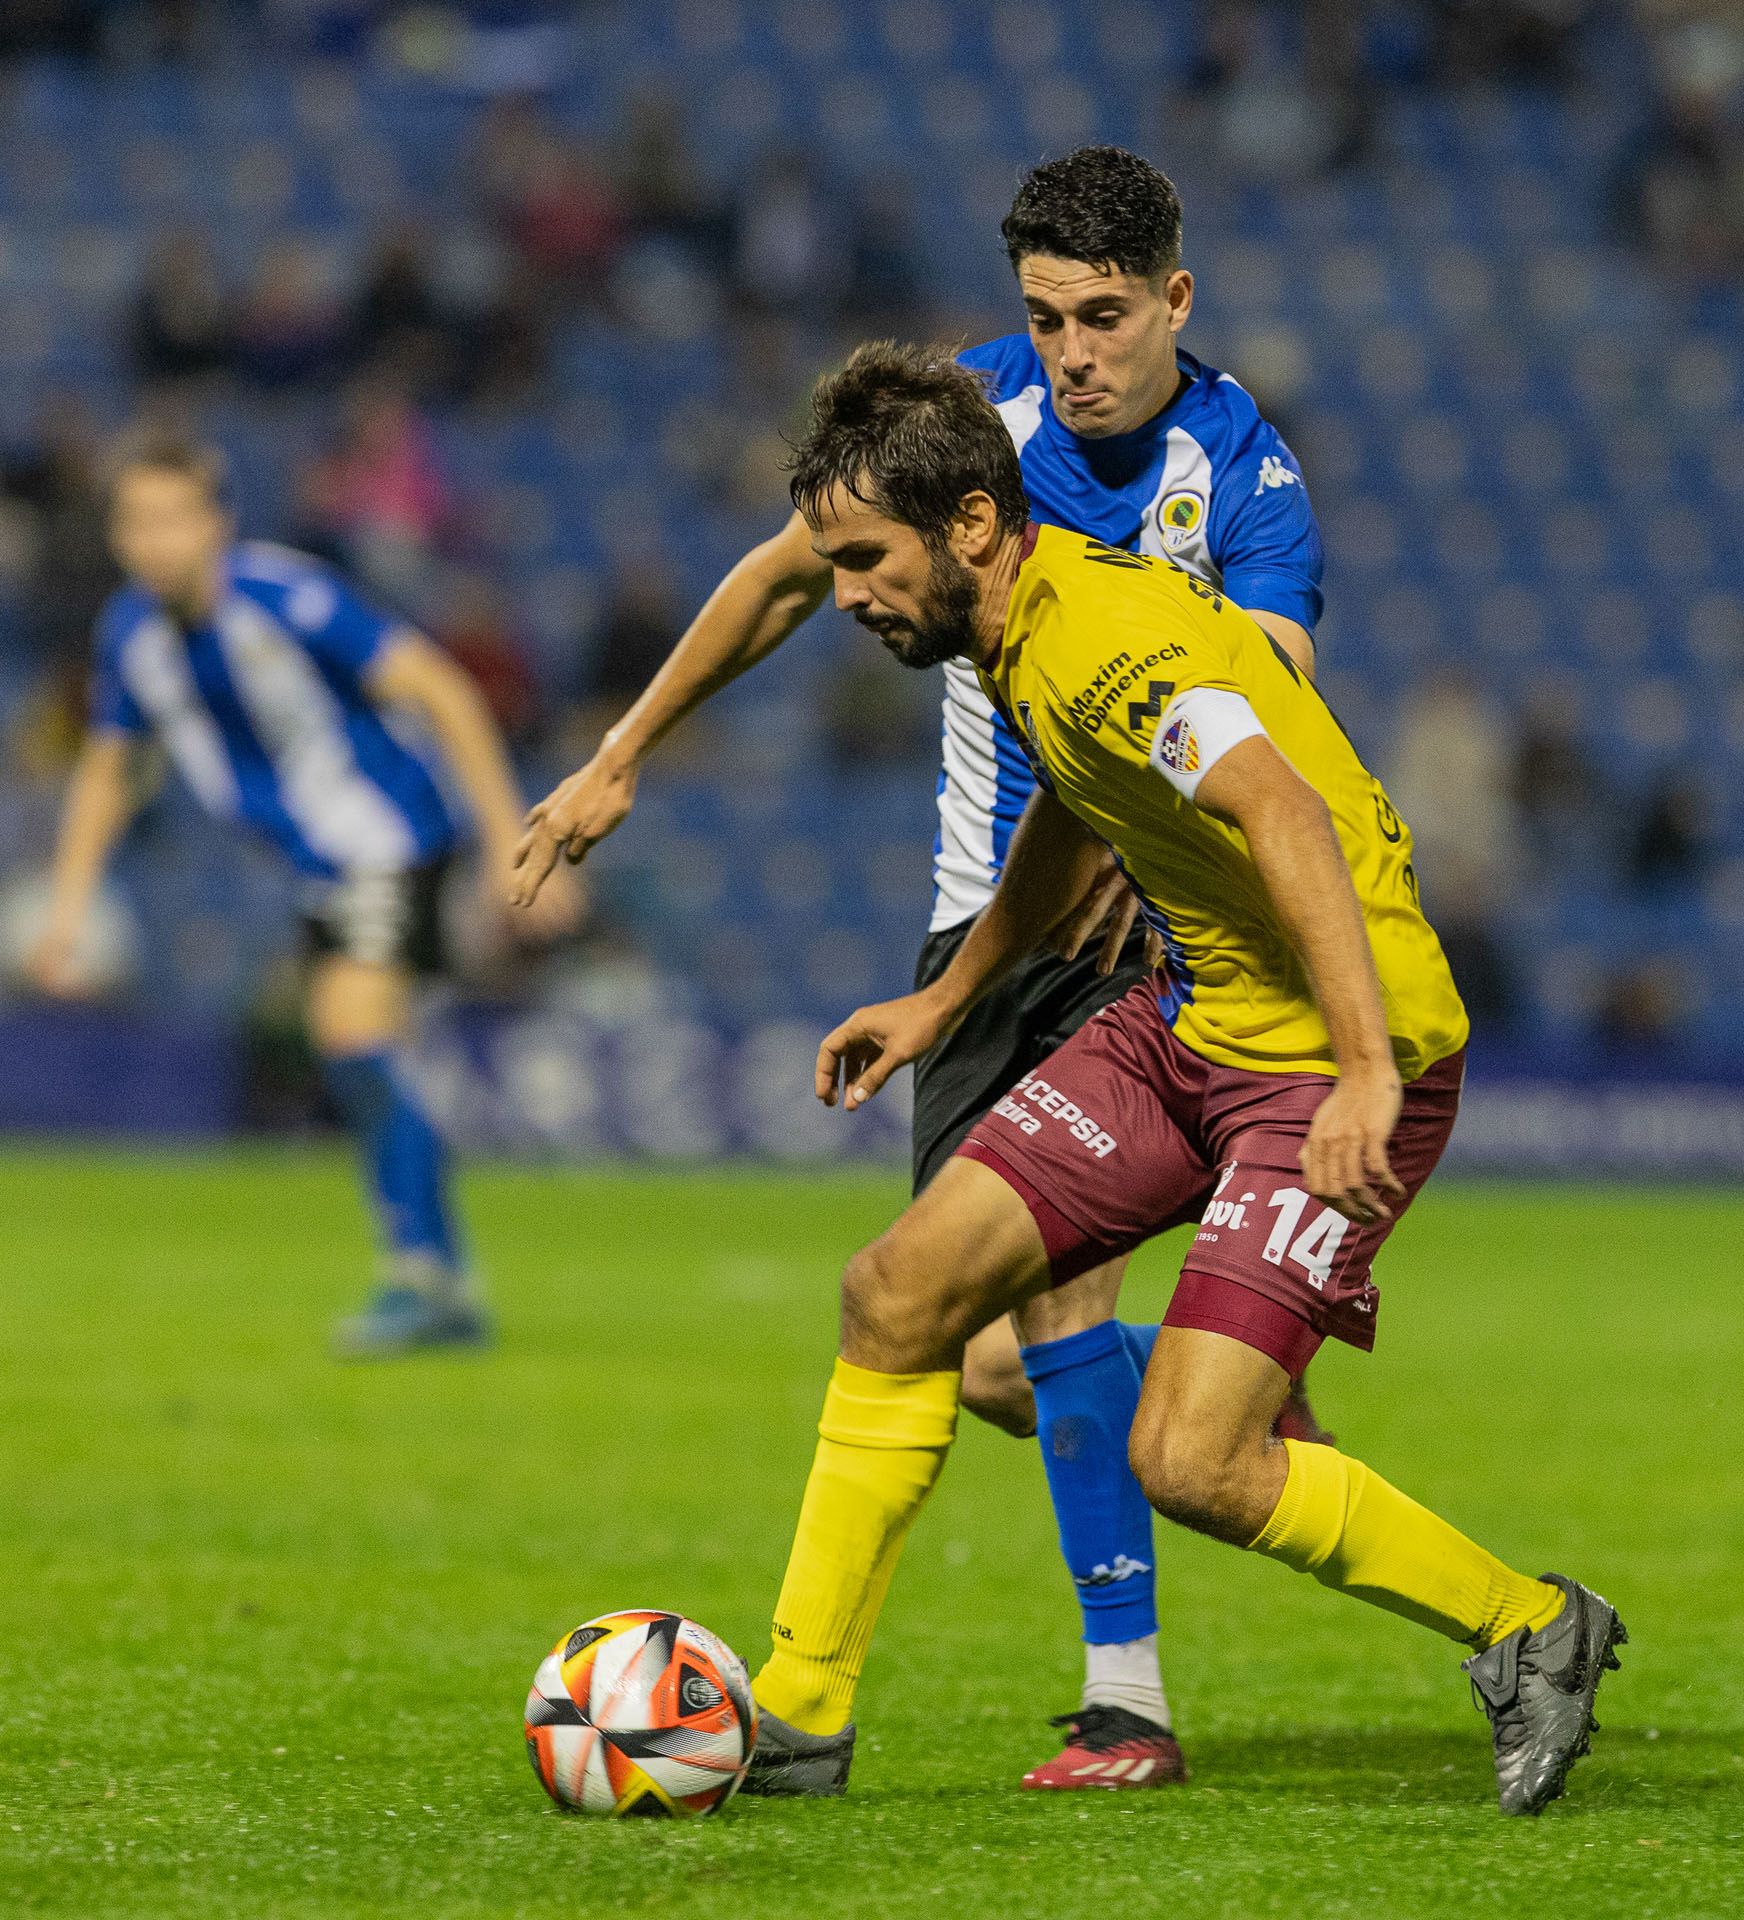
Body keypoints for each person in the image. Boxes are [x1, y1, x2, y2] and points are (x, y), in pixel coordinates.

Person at [514, 147, 1331, 1788]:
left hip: (1131, 932)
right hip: (976, 923)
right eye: (1043, 319)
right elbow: (782, 577)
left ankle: (1119, 1704)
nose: (1072, 352)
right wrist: (621, 755)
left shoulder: (1243, 479)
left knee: (1046, 1300)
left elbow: (1277, 695)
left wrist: (1133, 829)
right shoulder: (973, 421)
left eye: (1103, 317)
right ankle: (1222, 1424)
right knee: (978, 1357)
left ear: (1174, 299)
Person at [720, 342, 1624, 1816]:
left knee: (1194, 1461)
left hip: (1335, 1059)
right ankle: (800, 1717)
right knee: (898, 1292)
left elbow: (1281, 815)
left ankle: (1532, 1628)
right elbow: (1080, 814)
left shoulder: (1111, 640)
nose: (846, 597)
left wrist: (1357, 1076)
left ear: (966, 527)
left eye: (864, 560)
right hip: (1194, 1024)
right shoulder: (1023, 628)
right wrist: (947, 997)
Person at [29, 435, 579, 1355]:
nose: (157, 541)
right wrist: (70, 904)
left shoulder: (288, 600)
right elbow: (108, 768)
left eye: (175, 518)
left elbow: (442, 687)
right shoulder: (129, 633)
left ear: (218, 524)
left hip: (392, 835)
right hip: (320, 864)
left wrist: (507, 841)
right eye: (138, 522)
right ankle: (434, 1270)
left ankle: (426, 1275)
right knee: (356, 1053)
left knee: (352, 1032)